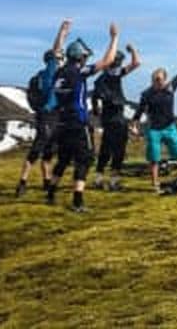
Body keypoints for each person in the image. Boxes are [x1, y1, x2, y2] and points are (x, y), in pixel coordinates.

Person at [46, 23, 120, 212]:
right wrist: (114, 37)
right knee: (85, 159)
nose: (86, 59)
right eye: (85, 56)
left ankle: (51, 193)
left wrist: (62, 33)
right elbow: (108, 60)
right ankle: (77, 201)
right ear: (80, 57)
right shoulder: (79, 72)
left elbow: (56, 53)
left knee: (63, 159)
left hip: (62, 121)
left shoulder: (59, 72)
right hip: (78, 122)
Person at [131, 48, 177, 193]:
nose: (157, 82)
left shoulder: (170, 88)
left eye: (159, 80)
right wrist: (134, 126)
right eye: (154, 80)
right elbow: (139, 111)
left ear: (165, 79)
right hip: (154, 130)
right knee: (154, 159)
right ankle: (155, 184)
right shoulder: (147, 94)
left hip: (170, 127)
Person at [15, 19, 71, 197]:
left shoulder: (44, 75)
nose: (62, 60)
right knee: (38, 150)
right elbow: (57, 50)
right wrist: (62, 33)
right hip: (48, 115)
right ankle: (22, 183)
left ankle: (45, 182)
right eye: (60, 58)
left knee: (47, 152)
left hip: (50, 115)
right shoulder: (50, 72)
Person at [91, 43, 141, 191]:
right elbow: (136, 63)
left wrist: (97, 111)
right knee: (118, 149)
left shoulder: (100, 79)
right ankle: (113, 181)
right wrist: (133, 50)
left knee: (106, 148)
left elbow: (95, 99)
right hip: (117, 117)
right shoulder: (115, 75)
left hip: (107, 118)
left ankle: (99, 178)